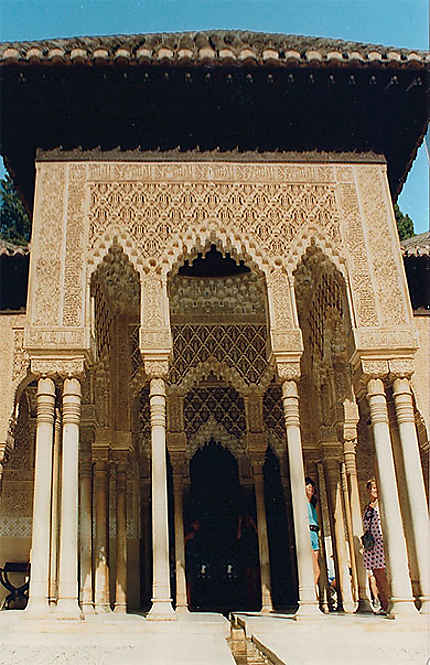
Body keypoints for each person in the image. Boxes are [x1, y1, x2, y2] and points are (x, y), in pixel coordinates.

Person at [362, 479, 389, 614]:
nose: (375, 490)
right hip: (371, 544)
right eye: (372, 488)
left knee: (382, 574)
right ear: (368, 490)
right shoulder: (368, 507)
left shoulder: (382, 504)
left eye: (376, 487)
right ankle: (384, 604)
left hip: (380, 542)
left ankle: (389, 603)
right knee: (376, 575)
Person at [305, 477, 320, 588]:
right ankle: (311, 594)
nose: (310, 488)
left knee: (313, 569)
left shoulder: (313, 504)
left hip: (315, 535)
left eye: (311, 486)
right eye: (307, 486)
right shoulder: (303, 504)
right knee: (316, 571)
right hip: (308, 535)